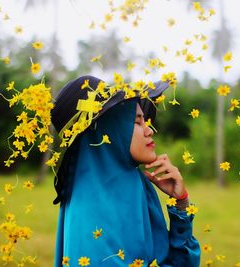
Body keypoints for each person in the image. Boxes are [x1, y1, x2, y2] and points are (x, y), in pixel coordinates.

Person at [51, 75, 201, 267]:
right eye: (137, 122)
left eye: (145, 121)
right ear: (109, 131)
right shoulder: (92, 215)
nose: (149, 131)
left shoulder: (136, 185)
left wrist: (181, 203)